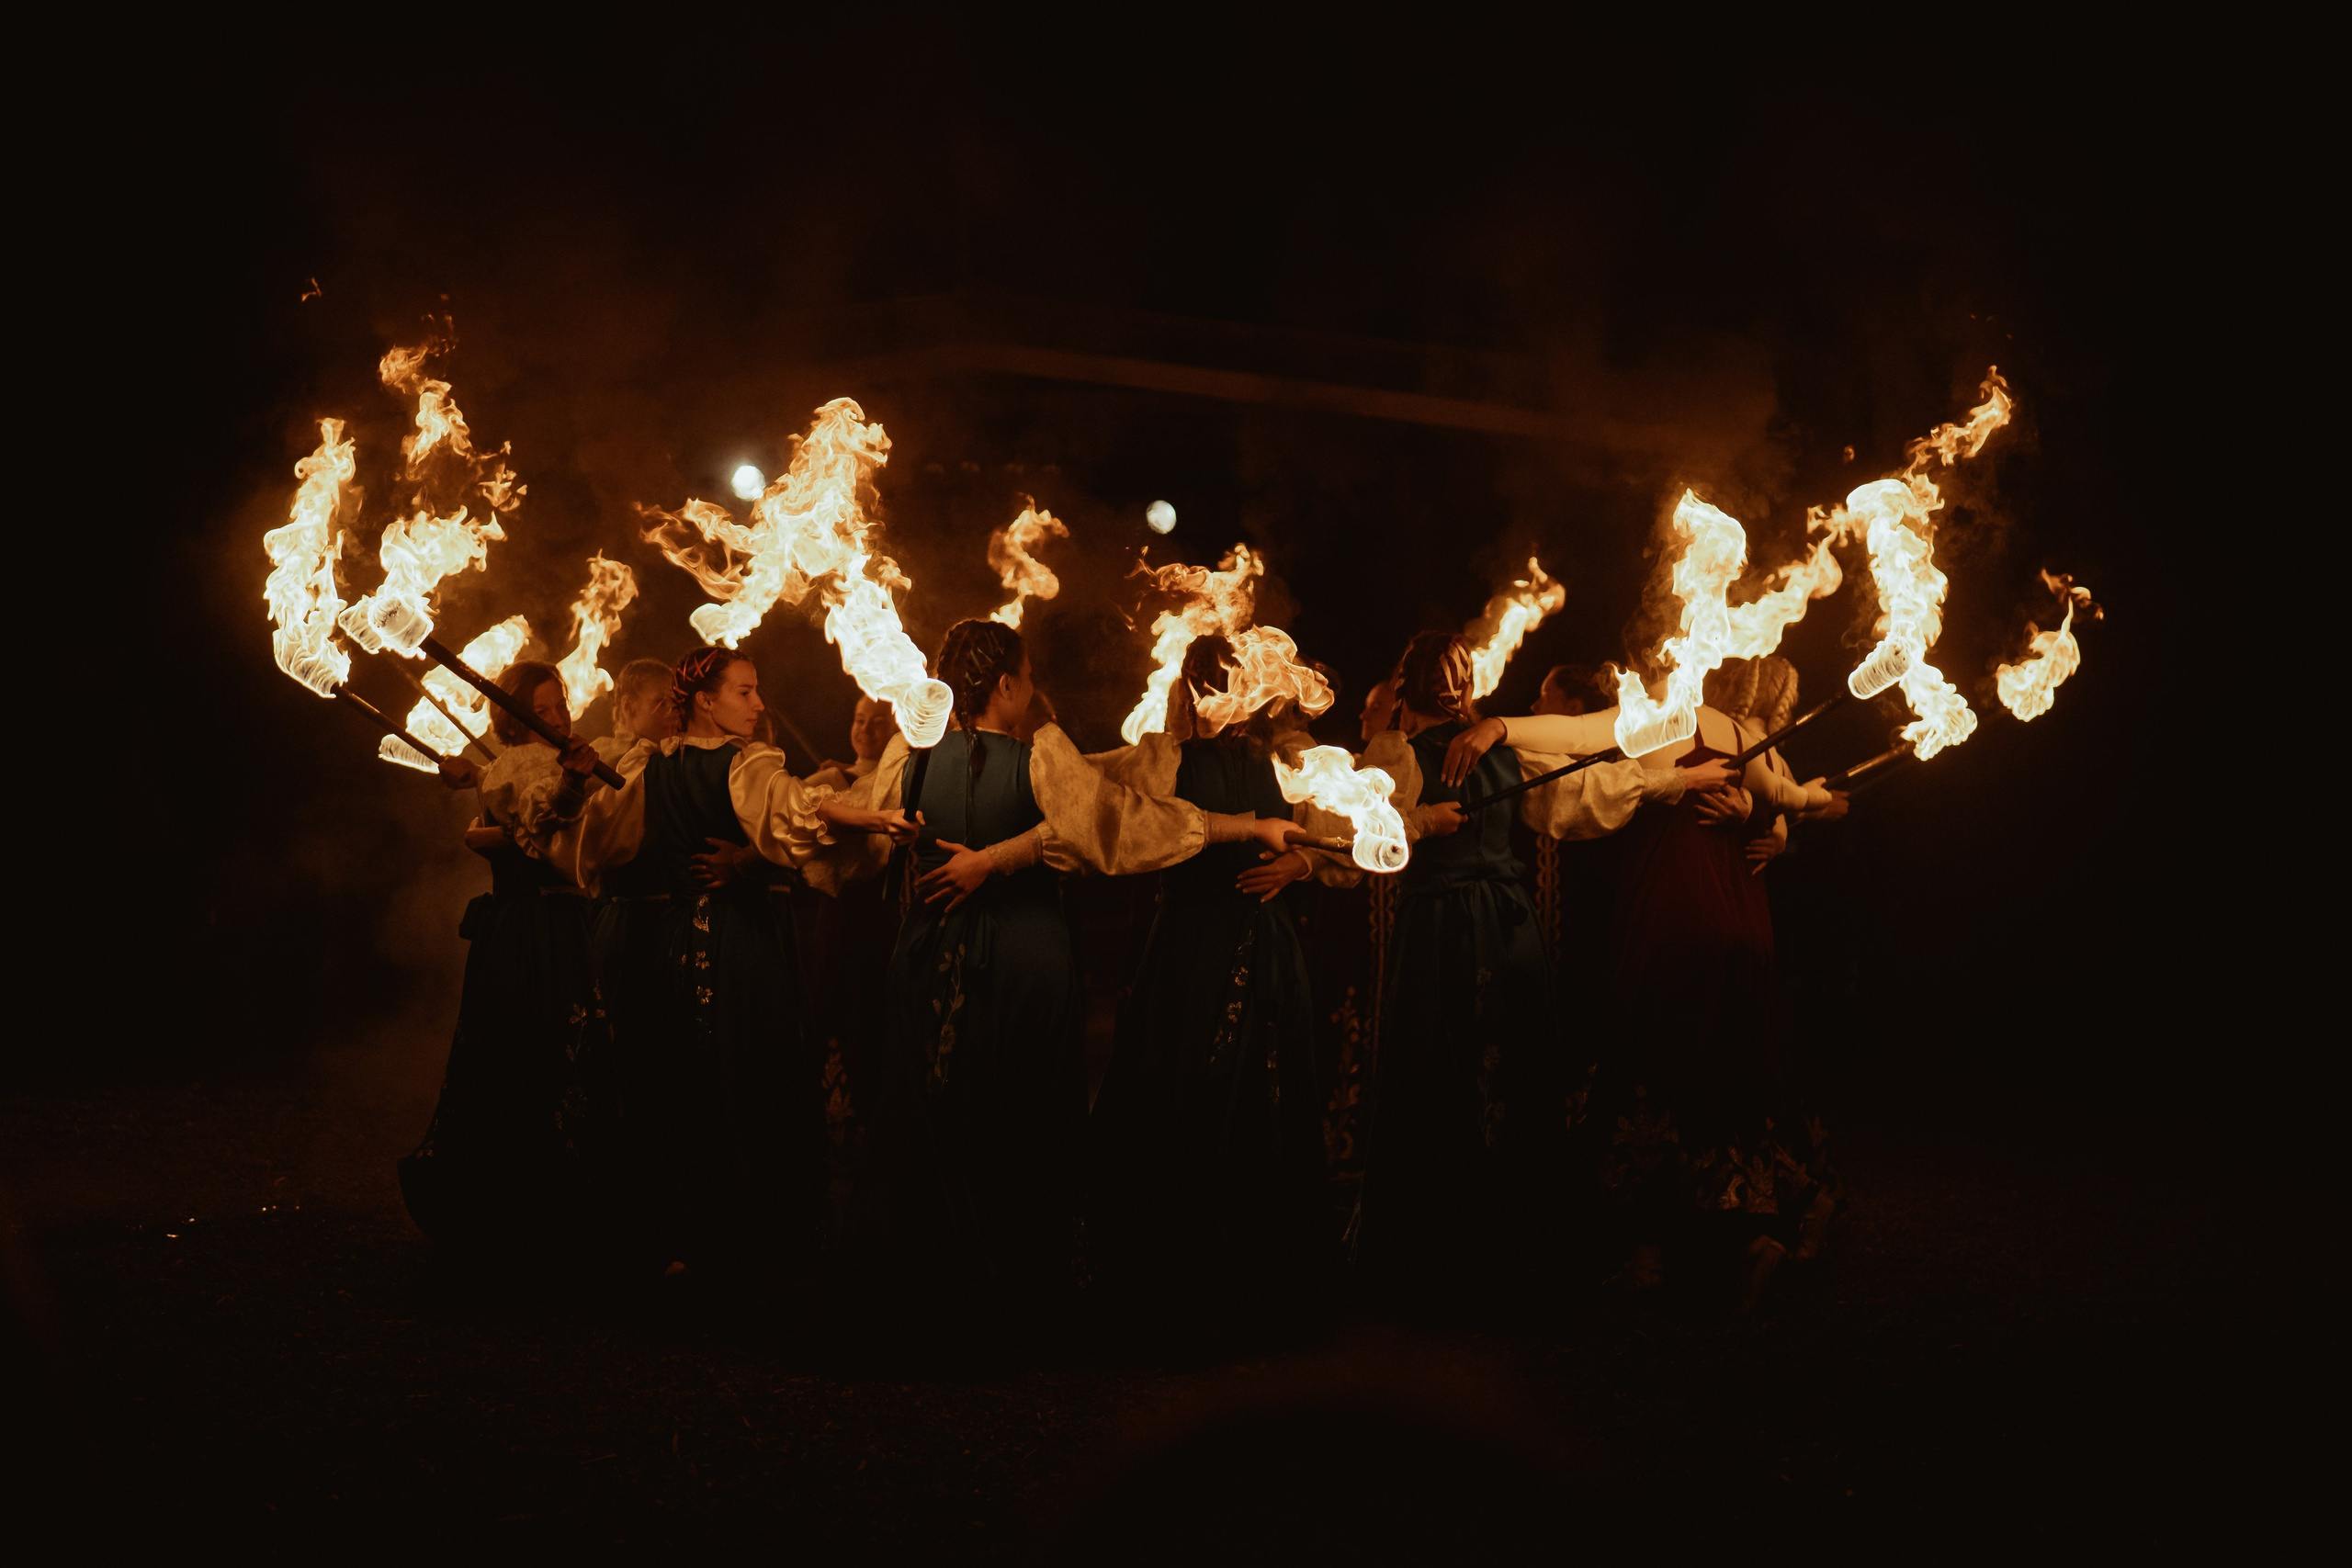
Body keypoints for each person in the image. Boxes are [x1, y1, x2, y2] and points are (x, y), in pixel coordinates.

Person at [845, 618, 1300, 1331]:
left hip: (930, 947)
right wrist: (1246, 827)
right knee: (1012, 1111)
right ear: (1005, 685)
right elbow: (1120, 827)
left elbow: (1100, 791)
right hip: (1025, 956)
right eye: (1027, 678)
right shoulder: (1039, 759)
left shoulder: (909, 752)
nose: (1033, 692)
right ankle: (1009, 1295)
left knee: (939, 1101)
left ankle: (927, 1287)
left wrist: (979, 855)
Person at [1360, 634, 1728, 1308]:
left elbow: (1587, 786)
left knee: (1502, 1068)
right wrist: (1417, 821)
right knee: (1447, 1067)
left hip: (1484, 924)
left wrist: (1677, 778)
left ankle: (1498, 1244)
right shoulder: (1403, 756)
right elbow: (1355, 825)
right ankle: (1459, 1246)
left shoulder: (1494, 749)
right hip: (1464, 924)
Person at [1459, 655, 1838, 1305]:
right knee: (1727, 1066)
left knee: (1651, 1066)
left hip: (1676, 906)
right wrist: (1815, 803)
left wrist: (1497, 725)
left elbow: (1579, 736)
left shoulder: (1672, 711)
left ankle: (1651, 1251)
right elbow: (1782, 800)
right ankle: (1753, 1233)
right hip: (1745, 920)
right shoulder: (1745, 735)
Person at [544, 647, 915, 1285]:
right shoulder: (742, 764)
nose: (759, 703)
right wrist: (872, 815)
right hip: (737, 951)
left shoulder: (647, 767)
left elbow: (595, 843)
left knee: (686, 1079)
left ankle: (689, 1238)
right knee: (737, 1077)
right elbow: (798, 813)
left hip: (672, 951)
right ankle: (741, 1239)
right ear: (707, 703)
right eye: (745, 691)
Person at [1088, 636, 1331, 1348]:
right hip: (1192, 952)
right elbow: (1142, 835)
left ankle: (1263, 1281)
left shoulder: (1273, 760)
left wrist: (1302, 867)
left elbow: (1327, 833)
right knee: (1189, 1093)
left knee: (1262, 1099)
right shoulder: (1164, 760)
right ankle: (1186, 1283)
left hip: (1263, 949)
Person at [398, 659, 614, 1258]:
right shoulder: (514, 766)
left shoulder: (508, 767)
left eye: (559, 706)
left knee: (575, 1050)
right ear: (511, 719)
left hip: (569, 921)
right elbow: (540, 829)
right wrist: (573, 784)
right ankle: (516, 1203)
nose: (555, 717)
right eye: (538, 708)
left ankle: (569, 1198)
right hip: (528, 927)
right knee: (525, 1047)